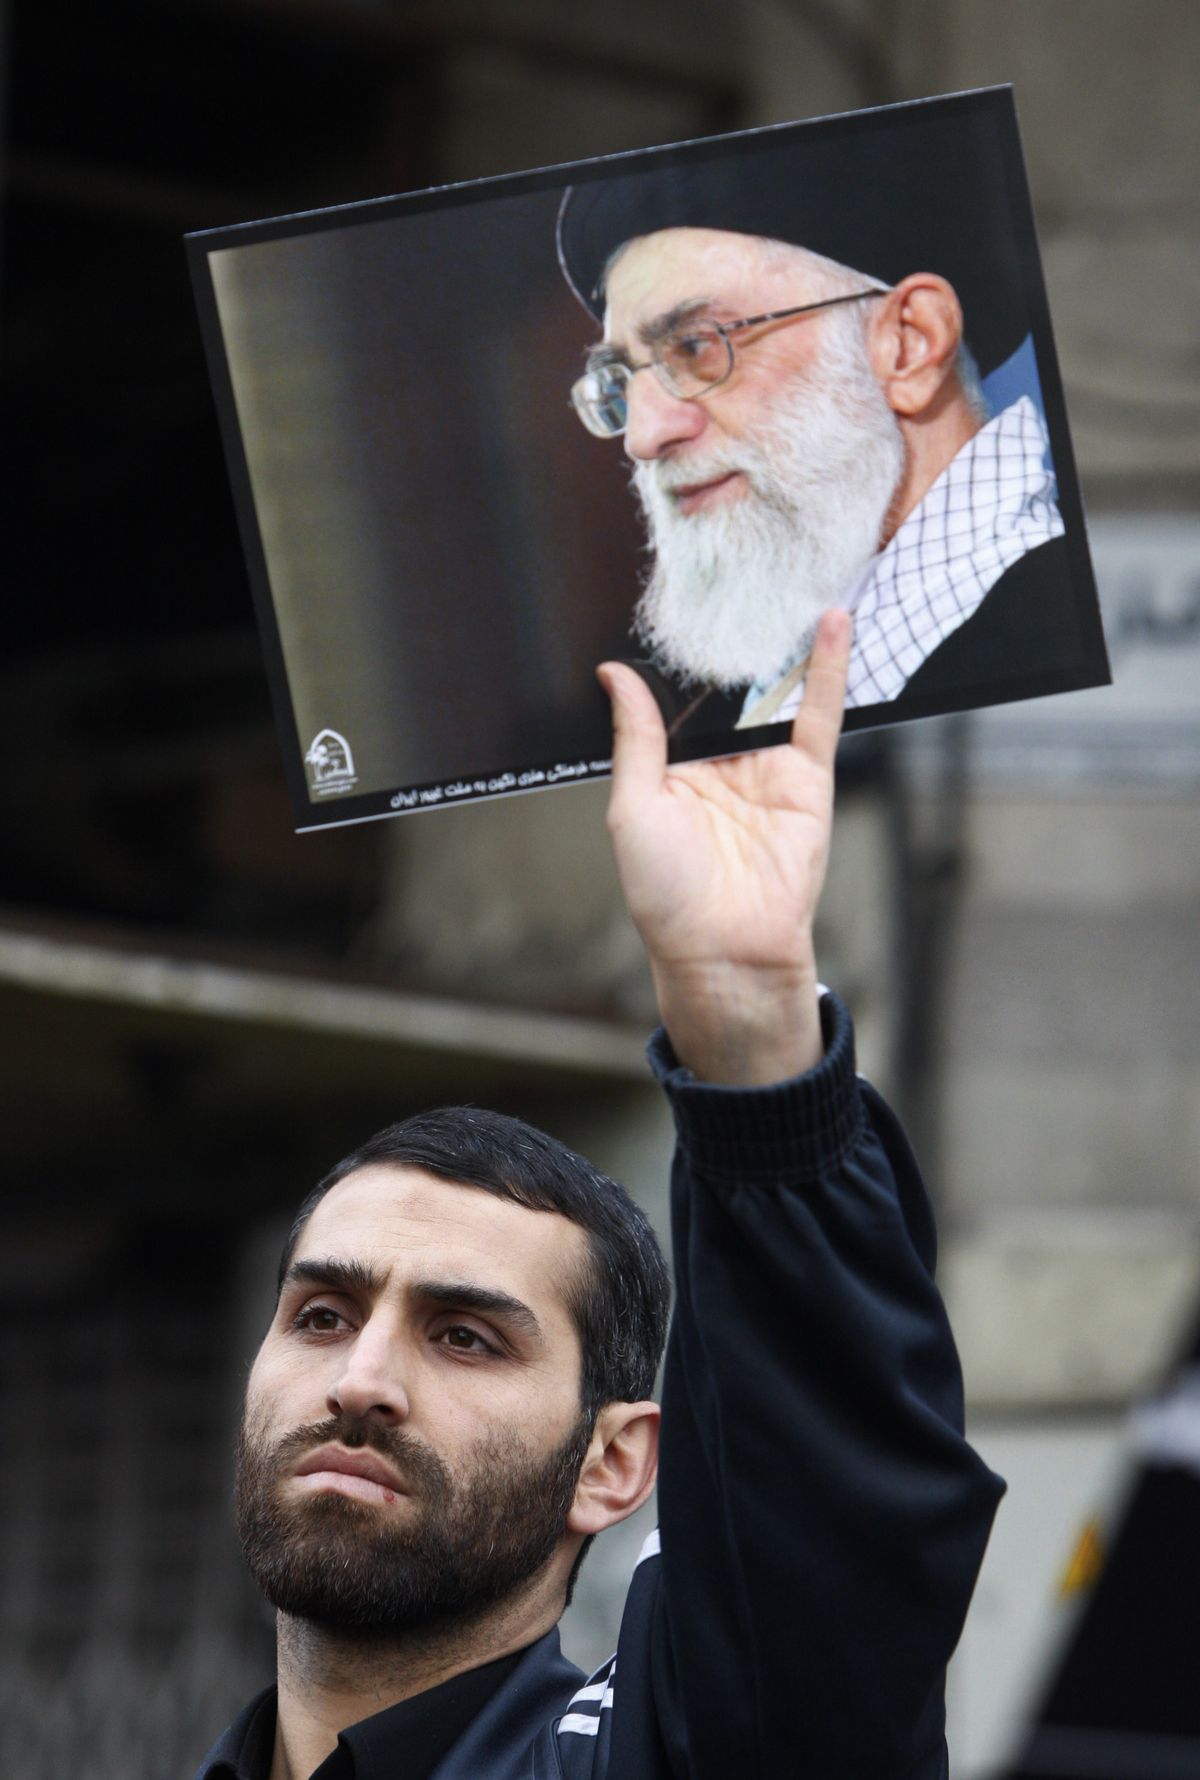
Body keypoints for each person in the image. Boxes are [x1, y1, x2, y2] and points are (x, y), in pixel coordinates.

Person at [195, 611, 1004, 1780]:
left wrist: (747, 1035)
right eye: (321, 1316)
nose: (361, 1381)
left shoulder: (654, 1756)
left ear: (614, 1463)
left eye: (466, 1336)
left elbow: (823, 1560)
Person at [557, 118, 1089, 738]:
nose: (642, 437)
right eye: (621, 380)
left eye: (698, 345)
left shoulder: (1058, 630)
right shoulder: (787, 660)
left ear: (909, 346)